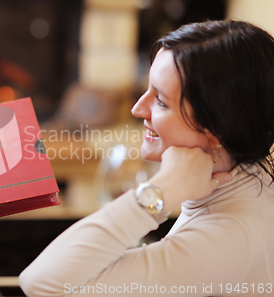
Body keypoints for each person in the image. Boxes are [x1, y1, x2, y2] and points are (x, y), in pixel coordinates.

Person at [19, 20, 274, 296]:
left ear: (218, 128)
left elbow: (40, 282)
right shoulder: (250, 181)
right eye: (147, 89)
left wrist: (160, 191)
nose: (138, 108)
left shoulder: (226, 240)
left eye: (161, 101)